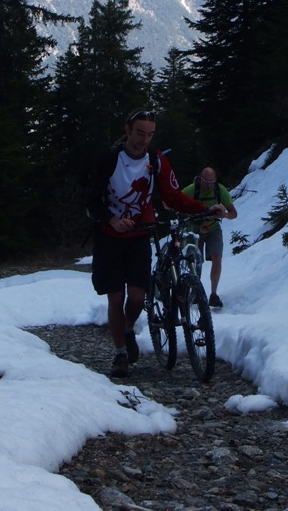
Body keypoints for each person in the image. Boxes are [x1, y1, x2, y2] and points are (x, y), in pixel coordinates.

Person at [87, 109, 227, 378]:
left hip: (140, 234)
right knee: (115, 297)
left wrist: (204, 209)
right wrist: (112, 219)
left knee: (138, 297)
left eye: (150, 134)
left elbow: (173, 195)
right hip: (109, 236)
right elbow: (92, 199)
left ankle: (128, 330)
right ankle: (120, 354)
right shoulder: (109, 159)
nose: (144, 139)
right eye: (140, 133)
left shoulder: (157, 159)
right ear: (128, 130)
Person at [182, 167, 237, 309]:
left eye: (211, 182)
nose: (208, 185)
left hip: (213, 228)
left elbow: (233, 213)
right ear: (201, 178)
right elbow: (175, 202)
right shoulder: (191, 190)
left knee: (217, 258)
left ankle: (213, 294)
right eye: (206, 181)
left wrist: (224, 214)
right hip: (195, 229)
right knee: (194, 262)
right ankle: (195, 291)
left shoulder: (220, 190)